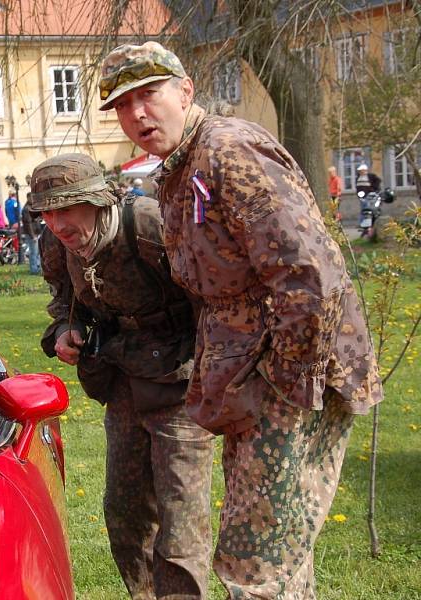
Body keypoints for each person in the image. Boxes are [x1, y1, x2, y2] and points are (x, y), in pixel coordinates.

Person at [99, 40, 382, 597]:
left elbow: (308, 275)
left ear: (185, 91)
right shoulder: (181, 166)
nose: (136, 114)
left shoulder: (228, 150)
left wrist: (283, 381)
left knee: (255, 562)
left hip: (288, 377)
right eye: (122, 104)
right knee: (277, 553)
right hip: (250, 376)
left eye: (148, 94)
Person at [31, 153, 214, 600]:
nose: (56, 223)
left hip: (179, 384)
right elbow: (62, 298)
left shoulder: (152, 227)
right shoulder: (55, 244)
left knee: (180, 520)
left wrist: (214, 375)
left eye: (66, 208)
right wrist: (65, 329)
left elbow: (212, 298)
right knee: (125, 513)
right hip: (123, 382)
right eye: (47, 212)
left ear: (96, 201)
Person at [20, 194, 43, 274]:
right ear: (28, 198)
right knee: (33, 252)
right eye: (31, 198)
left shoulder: (32, 207)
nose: (33, 199)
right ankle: (34, 269)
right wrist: (32, 235)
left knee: (37, 252)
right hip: (31, 234)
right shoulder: (26, 209)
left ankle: (38, 267)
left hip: (36, 232)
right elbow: (28, 224)